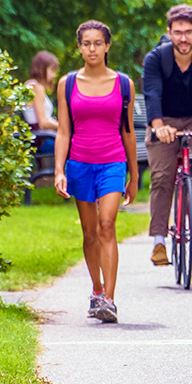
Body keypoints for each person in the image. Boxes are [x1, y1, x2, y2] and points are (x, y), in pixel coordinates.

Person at [54, 21, 139, 324]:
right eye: (86, 43)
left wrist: (135, 175)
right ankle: (96, 289)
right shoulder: (67, 83)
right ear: (79, 47)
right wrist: (59, 171)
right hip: (79, 163)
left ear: (107, 46)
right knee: (89, 233)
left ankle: (110, 300)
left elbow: (128, 132)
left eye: (98, 43)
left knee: (107, 225)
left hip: (113, 162)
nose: (92, 48)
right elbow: (63, 131)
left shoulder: (124, 83)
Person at [142, 4, 192, 267]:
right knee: (162, 176)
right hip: (164, 120)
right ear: (169, 32)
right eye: (177, 32)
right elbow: (152, 93)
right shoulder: (155, 59)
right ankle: (158, 241)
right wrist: (158, 125)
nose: (183, 38)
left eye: (188, 32)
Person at [24, 51, 59, 154]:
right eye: (52, 70)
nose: (54, 75)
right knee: (79, 147)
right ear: (41, 69)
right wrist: (64, 126)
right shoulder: (36, 88)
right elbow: (43, 123)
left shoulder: (31, 85)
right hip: (42, 141)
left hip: (42, 138)